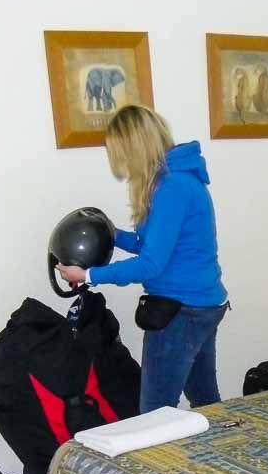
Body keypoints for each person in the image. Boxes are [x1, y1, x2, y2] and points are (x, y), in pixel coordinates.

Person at [56, 105, 228, 413]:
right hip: (202, 303)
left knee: (155, 409)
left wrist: (89, 276)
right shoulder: (180, 179)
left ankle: (182, 448)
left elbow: (151, 264)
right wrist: (113, 234)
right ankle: (223, 441)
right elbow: (157, 247)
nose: (119, 161)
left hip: (181, 310)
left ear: (133, 147)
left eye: (119, 152)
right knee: (205, 401)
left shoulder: (171, 187)